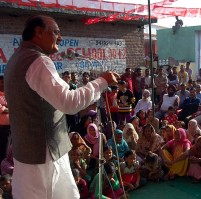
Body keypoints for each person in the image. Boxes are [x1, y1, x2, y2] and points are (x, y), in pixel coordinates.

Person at [4, 15, 119, 199]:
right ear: (39, 32)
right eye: (56, 32)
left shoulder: (16, 59)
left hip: (27, 153)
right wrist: (101, 82)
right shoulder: (38, 61)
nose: (60, 38)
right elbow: (69, 102)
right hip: (45, 156)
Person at [0, 75, 10, 165]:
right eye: (1, 82)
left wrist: (5, 108)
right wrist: (7, 108)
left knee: (9, 151)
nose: (3, 84)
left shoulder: (8, 94)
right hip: (2, 129)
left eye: (4, 82)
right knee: (2, 151)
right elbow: (1, 110)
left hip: (11, 128)